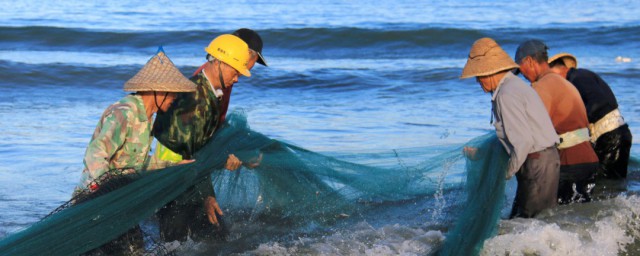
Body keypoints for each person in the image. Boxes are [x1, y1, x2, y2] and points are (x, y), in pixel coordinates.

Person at [73, 49, 196, 255]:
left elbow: (137, 164)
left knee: (135, 249)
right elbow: (96, 153)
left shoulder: (147, 119)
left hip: (120, 202)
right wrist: (105, 191)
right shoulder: (125, 113)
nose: (175, 98)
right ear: (157, 90)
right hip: (96, 202)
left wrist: (173, 167)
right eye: (173, 92)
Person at [152, 32, 264, 243]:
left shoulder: (210, 94)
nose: (237, 78)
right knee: (175, 244)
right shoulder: (194, 98)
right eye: (236, 71)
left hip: (188, 179)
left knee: (209, 239)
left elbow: (205, 142)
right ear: (220, 63)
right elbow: (190, 154)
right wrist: (208, 196)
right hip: (173, 181)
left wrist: (234, 155)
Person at [460, 37, 560, 218]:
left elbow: (523, 142)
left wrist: (504, 174)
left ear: (488, 72)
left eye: (478, 76)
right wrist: (482, 154)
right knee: (532, 221)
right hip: (543, 160)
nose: (477, 82)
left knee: (529, 224)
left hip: (537, 163)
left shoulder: (506, 94)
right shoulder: (513, 86)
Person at [514, 40, 599, 205]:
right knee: (580, 218)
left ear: (529, 61)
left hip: (570, 162)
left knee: (559, 218)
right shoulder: (564, 82)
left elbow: (532, 128)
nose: (522, 75)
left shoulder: (541, 87)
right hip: (588, 159)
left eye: (520, 69)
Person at [548, 53, 632, 179]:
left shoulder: (578, 78)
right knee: (613, 182)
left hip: (611, 137)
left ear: (560, 70)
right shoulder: (582, 76)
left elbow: (597, 103)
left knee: (606, 183)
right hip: (616, 134)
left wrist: (579, 122)